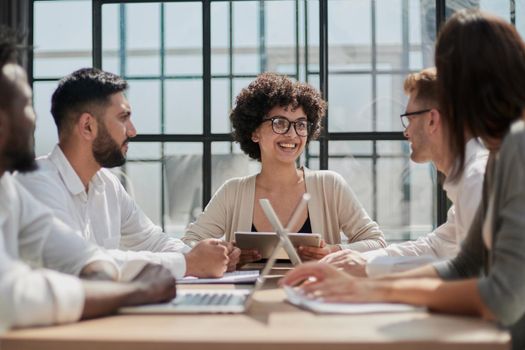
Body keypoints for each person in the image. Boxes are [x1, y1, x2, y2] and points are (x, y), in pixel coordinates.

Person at [281, 10, 525, 349]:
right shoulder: (500, 157)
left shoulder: (517, 146)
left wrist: (371, 286)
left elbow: (503, 296)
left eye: (450, 78)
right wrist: (363, 281)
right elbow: (464, 264)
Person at [0, 27, 176, 331]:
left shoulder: (9, 190)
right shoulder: (35, 182)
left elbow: (82, 255)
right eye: (27, 104)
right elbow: (13, 297)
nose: (34, 118)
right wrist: (134, 291)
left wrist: (103, 281)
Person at [16, 67, 238, 278]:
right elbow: (81, 262)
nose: (133, 131)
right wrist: (190, 263)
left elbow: (152, 240)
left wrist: (210, 256)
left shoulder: (107, 184)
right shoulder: (35, 183)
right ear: (87, 126)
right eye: (123, 118)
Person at [182, 72, 386, 264]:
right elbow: (189, 244)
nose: (292, 134)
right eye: (279, 123)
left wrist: (333, 251)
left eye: (301, 124)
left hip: (314, 296)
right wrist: (228, 252)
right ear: (254, 132)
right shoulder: (232, 192)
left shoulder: (329, 185)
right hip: (248, 297)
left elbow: (376, 243)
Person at [321, 68, 488, 277]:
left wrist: (367, 268)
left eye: (409, 119)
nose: (406, 132)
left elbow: (479, 278)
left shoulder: (477, 181)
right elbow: (435, 247)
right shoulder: (471, 179)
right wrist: (354, 258)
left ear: (432, 120)